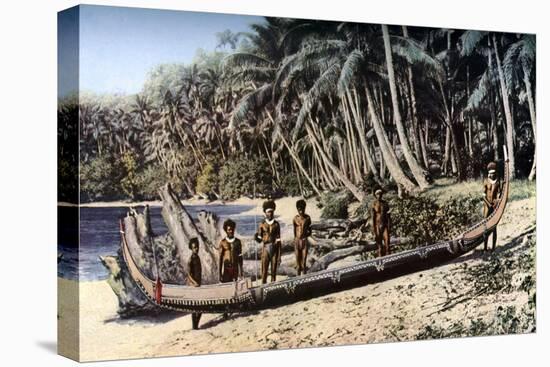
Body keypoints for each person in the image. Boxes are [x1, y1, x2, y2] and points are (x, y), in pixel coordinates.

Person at [255, 199, 282, 284]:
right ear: (265, 213)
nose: (270, 213)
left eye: (271, 212)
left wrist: (279, 255)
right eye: (268, 212)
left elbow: (278, 240)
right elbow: (259, 240)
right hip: (266, 249)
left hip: (274, 249)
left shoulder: (276, 224)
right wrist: (256, 237)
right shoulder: (262, 224)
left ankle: (273, 288)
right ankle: (263, 286)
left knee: (274, 271)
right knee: (264, 271)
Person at [482, 162, 502, 251]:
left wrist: (496, 203)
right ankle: (485, 248)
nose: (491, 175)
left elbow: (499, 194)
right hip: (487, 207)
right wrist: (488, 204)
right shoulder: (486, 181)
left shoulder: (498, 182)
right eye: (490, 173)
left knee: (494, 227)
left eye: (493, 173)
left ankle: (493, 248)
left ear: (495, 173)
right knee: (486, 227)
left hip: (494, 206)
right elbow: (483, 195)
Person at [218, 219, 243, 283]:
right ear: (226, 231)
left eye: (232, 229)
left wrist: (241, 273)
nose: (231, 231)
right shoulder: (222, 242)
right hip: (226, 269)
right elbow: (220, 259)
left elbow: (240, 258)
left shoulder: (238, 242)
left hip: (235, 269)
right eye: (229, 230)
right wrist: (220, 274)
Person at [293, 199, 312, 276]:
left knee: (303, 263)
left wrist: (307, 234)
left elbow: (310, 229)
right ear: (297, 209)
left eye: (302, 209)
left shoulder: (307, 218)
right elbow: (294, 230)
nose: (301, 211)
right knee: (298, 264)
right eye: (299, 210)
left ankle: (304, 278)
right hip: (297, 241)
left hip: (304, 241)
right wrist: (295, 240)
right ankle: (298, 279)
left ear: (305, 208)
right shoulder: (295, 219)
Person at [187, 238, 202, 330]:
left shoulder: (197, 257)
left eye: (197, 247)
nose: (196, 249)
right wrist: (195, 283)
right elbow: (188, 274)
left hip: (198, 284)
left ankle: (195, 326)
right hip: (193, 285)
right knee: (195, 307)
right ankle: (194, 326)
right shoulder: (191, 259)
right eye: (194, 247)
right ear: (191, 249)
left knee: (199, 307)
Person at [371, 189, 391, 257]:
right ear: (375, 195)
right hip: (377, 225)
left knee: (387, 241)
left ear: (382, 195)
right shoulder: (374, 204)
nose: (379, 195)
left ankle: (388, 257)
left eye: (380, 194)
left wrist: (389, 226)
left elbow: (388, 216)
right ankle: (380, 258)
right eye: (377, 194)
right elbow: (373, 217)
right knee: (379, 244)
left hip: (384, 224)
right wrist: (374, 229)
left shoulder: (385, 203)